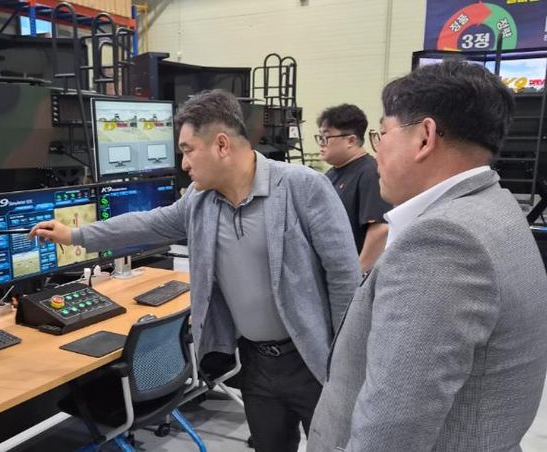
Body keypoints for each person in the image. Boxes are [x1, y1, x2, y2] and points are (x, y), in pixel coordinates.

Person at [30, 90, 361, 452]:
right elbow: (146, 224)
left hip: (312, 358)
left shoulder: (302, 187)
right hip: (256, 363)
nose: (184, 164)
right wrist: (75, 235)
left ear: (221, 145)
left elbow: (344, 277)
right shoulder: (200, 201)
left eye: (188, 151)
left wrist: (345, 360)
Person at [307, 60, 547, 451]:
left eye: (382, 134)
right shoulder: (496, 206)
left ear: (425, 136)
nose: (377, 151)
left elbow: (391, 428)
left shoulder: (444, 241)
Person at [316, 104, 391, 272]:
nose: (321, 144)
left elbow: (380, 230)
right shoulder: (331, 175)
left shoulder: (370, 173)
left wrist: (357, 275)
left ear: (351, 140)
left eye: (326, 138)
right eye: (319, 137)